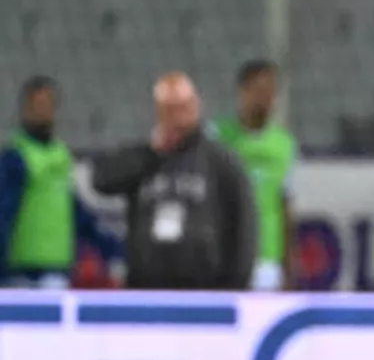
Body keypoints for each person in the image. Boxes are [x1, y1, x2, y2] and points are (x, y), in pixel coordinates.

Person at [92, 72, 257, 290]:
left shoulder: (220, 162)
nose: (178, 117)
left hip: (205, 288)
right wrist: (150, 153)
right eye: (170, 109)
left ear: (196, 106)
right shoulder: (142, 159)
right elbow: (102, 180)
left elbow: (244, 224)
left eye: (183, 107)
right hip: (147, 286)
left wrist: (234, 288)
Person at [0, 76, 120, 287]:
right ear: (26, 109)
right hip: (20, 271)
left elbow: (75, 212)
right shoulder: (16, 157)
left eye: (47, 104)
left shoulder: (61, 155)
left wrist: (109, 249)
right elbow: (4, 212)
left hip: (56, 269)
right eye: (37, 105)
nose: (43, 111)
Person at [209, 59, 297, 291]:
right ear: (243, 92)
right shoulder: (217, 137)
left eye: (270, 92)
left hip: (266, 259)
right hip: (225, 257)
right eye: (259, 91)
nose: (266, 99)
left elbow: (285, 205)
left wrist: (288, 266)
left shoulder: (284, 145)